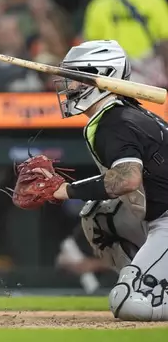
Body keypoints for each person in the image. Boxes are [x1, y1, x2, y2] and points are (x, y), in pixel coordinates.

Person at [16, 40, 168, 321]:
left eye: (75, 78)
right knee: (97, 215)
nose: (67, 85)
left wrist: (65, 189)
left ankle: (143, 287)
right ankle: (145, 277)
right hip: (157, 215)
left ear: (102, 78)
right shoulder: (118, 114)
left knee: (126, 304)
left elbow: (127, 180)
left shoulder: (117, 121)